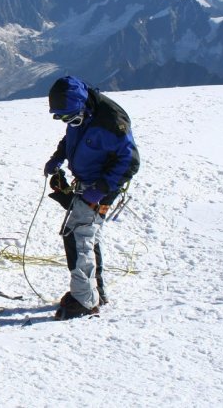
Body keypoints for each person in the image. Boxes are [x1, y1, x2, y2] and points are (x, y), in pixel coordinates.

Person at [44, 75, 140, 320]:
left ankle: (85, 300)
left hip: (100, 187)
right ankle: (94, 292)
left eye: (67, 116)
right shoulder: (82, 114)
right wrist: (58, 157)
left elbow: (129, 162)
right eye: (60, 117)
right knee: (86, 236)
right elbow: (72, 138)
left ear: (81, 104)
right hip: (88, 183)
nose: (65, 121)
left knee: (79, 237)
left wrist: (100, 189)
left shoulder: (110, 123)